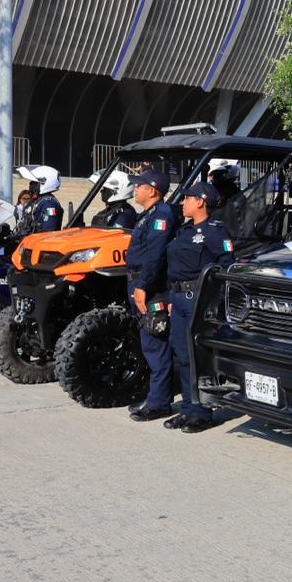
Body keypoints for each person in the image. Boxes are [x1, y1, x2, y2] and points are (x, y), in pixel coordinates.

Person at [162, 181, 234, 432]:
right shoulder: (184, 230)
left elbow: (226, 267)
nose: (183, 203)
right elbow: (174, 267)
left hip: (198, 299)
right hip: (178, 297)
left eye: (188, 198)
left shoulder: (216, 231)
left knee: (197, 356)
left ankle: (201, 411)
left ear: (201, 201)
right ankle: (187, 408)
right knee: (182, 355)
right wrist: (171, 298)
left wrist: (214, 303)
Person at [125, 164, 178, 422]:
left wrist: (142, 286)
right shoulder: (147, 214)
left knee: (155, 344)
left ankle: (159, 403)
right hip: (139, 282)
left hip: (151, 287)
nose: (135, 189)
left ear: (153, 191)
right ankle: (156, 395)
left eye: (140, 185)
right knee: (149, 343)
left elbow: (155, 256)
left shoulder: (161, 215)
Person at [16, 166, 65, 234]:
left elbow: (48, 231)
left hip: (40, 240)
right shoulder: (36, 201)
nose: (31, 186)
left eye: (35, 183)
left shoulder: (49, 204)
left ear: (45, 183)